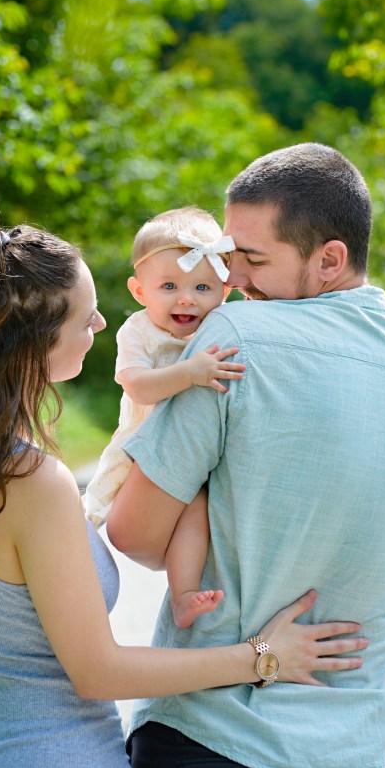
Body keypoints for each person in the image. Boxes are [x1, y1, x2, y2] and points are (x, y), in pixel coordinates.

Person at [0, 214, 369, 768]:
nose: (102, 324)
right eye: (86, 315)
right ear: (34, 337)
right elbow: (97, 672)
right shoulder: (30, 480)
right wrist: (264, 657)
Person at [107, 143, 385, 768]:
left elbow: (131, 531)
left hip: (214, 749)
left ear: (329, 259)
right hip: (353, 763)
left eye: (254, 259)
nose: (231, 279)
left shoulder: (234, 340)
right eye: (228, 256)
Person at [84, 206, 245, 628]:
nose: (186, 298)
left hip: (201, 449)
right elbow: (138, 386)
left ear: (225, 292)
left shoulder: (223, 326)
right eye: (169, 285)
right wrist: (189, 374)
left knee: (201, 510)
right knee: (112, 502)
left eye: (203, 286)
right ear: (140, 292)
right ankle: (176, 592)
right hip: (143, 442)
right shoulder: (138, 331)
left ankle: (187, 592)